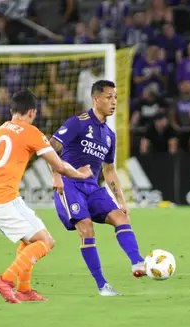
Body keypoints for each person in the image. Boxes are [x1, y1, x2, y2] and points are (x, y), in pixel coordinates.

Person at [0, 89, 93, 304]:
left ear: (12, 111)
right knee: (46, 242)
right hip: (4, 202)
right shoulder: (31, 132)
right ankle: (5, 280)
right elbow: (59, 165)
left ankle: (24, 290)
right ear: (31, 112)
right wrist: (81, 174)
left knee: (31, 239)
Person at [49, 80, 146, 296]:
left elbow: (109, 171)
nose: (114, 102)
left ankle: (138, 262)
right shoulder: (78, 122)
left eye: (116, 97)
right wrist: (56, 175)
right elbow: (50, 147)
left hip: (92, 187)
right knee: (86, 228)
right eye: (109, 97)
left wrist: (121, 201)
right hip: (70, 185)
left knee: (121, 218)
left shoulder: (109, 136)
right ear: (96, 99)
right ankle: (103, 285)